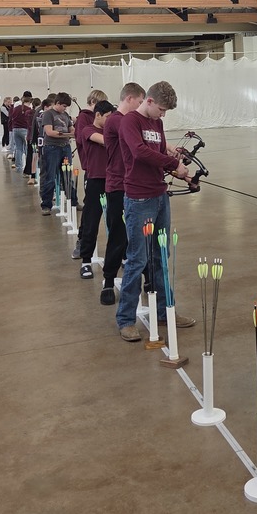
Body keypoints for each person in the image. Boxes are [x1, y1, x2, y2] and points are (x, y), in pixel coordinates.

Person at [115, 81, 195, 342]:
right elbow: (139, 153)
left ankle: (165, 312)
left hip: (160, 196)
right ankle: (126, 319)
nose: (163, 115)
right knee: (137, 259)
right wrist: (173, 163)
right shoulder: (130, 122)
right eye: (161, 109)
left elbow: (159, 154)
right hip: (139, 199)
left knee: (161, 256)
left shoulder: (157, 124)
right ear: (147, 101)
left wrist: (181, 174)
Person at [99, 82, 146, 306]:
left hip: (134, 186)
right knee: (118, 235)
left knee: (141, 236)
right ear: (129, 98)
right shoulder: (117, 120)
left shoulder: (130, 121)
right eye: (139, 102)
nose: (139, 107)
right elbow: (141, 143)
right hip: (118, 186)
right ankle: (108, 281)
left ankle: (148, 280)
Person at [75, 99, 115, 280]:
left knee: (117, 223)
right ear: (97, 115)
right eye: (107, 117)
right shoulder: (88, 130)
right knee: (91, 223)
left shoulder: (110, 131)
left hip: (113, 181)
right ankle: (86, 261)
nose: (110, 120)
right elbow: (106, 141)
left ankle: (119, 256)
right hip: (95, 182)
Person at [71, 89, 109, 259]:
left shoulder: (102, 120)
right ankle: (82, 242)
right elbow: (82, 139)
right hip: (93, 170)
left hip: (108, 172)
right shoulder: (85, 120)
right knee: (90, 212)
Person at [39, 92, 74, 215]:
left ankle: (73, 201)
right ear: (57, 103)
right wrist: (68, 135)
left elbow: (71, 128)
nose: (65, 109)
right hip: (52, 148)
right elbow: (49, 132)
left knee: (68, 176)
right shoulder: (48, 114)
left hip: (65, 147)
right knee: (50, 177)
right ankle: (46, 204)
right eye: (63, 106)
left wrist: (73, 132)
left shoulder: (65, 115)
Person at [10, 92, 32, 173]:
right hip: (25, 130)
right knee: (27, 149)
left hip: (15, 130)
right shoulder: (29, 110)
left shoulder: (16, 108)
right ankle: (27, 166)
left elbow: (12, 117)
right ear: (29, 102)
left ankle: (18, 167)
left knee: (18, 149)